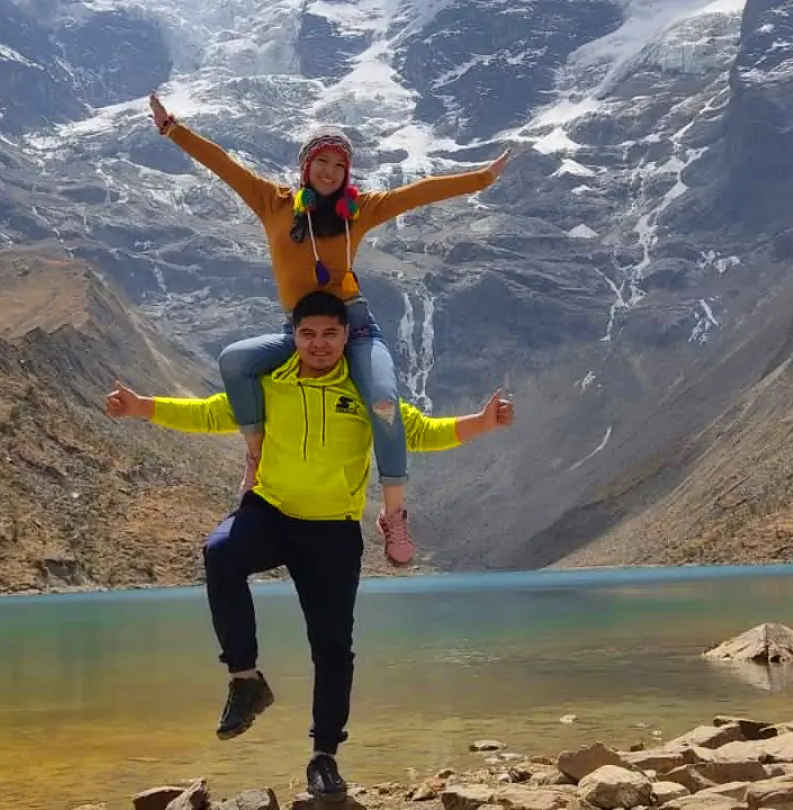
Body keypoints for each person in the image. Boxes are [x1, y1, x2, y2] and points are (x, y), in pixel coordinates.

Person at [104, 290, 515, 801]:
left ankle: (324, 758)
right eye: (308, 334)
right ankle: (245, 678)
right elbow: (212, 414)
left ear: (347, 337)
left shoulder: (367, 393)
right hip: (270, 512)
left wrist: (483, 422)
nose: (319, 344)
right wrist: (142, 407)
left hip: (332, 532)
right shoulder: (272, 384)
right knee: (222, 552)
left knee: (332, 647)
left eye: (330, 334)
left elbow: (421, 432)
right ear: (292, 337)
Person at [148, 91, 513, 568]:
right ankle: (255, 458)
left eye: (338, 166)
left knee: (383, 401)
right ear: (306, 167)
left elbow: (418, 193)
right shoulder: (272, 202)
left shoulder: (356, 211)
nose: (329, 172)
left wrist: (481, 178)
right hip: (301, 331)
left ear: (347, 174)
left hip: (354, 329)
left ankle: (395, 514)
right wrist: (172, 128)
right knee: (235, 361)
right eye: (321, 162)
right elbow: (224, 165)